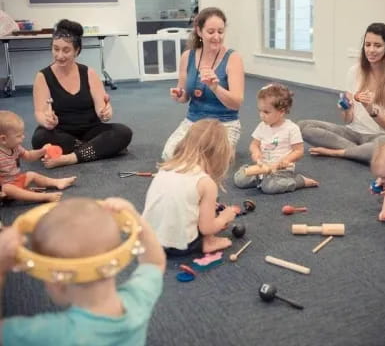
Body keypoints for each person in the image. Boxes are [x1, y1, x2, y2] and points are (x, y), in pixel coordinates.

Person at [0, 197, 166, 345]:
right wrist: (136, 221)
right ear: (116, 263)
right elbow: (155, 263)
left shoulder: (50, 334)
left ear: (56, 282)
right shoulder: (138, 300)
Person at [298, 22, 385, 164]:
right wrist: (346, 109)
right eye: (367, 44)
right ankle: (361, 152)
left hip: (382, 136)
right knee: (303, 126)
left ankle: (340, 152)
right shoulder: (354, 71)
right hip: (352, 134)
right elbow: (348, 120)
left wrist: (370, 108)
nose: (371, 50)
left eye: (377, 45)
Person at [31, 19, 132, 169]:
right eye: (55, 49)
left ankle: (70, 158)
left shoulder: (89, 73)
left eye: (66, 50)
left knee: (123, 132)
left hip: (90, 130)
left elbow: (101, 108)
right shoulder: (43, 76)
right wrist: (46, 120)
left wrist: (106, 112)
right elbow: (40, 112)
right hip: (61, 132)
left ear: (77, 51)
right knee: (40, 138)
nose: (59, 55)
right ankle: (95, 150)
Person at [144, 119, 237, 256]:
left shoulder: (166, 168)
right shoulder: (206, 182)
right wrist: (224, 217)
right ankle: (208, 243)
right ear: (219, 155)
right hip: (178, 246)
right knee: (211, 223)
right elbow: (206, 228)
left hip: (147, 239)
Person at [162, 7, 244, 161]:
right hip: (194, 121)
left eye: (220, 32)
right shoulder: (188, 56)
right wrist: (178, 94)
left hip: (224, 123)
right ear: (199, 31)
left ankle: (224, 151)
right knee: (170, 155)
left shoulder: (233, 58)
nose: (216, 37)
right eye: (211, 32)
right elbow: (184, 97)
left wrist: (215, 87)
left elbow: (236, 103)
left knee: (204, 161)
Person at [233, 83, 318, 194]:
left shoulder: (291, 128)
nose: (261, 115)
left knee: (269, 187)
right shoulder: (262, 126)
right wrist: (255, 152)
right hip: (262, 167)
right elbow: (254, 144)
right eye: (260, 111)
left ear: (282, 111)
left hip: (280, 171)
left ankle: (299, 181)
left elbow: (299, 151)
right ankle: (261, 180)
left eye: (266, 112)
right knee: (239, 179)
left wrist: (286, 160)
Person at [0, 111, 76, 202]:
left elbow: (29, 156)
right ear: (3, 139)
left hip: (16, 180)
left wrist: (42, 151)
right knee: (8, 188)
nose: (23, 137)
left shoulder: (15, 147)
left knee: (31, 174)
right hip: (4, 190)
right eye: (18, 136)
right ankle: (44, 197)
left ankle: (57, 182)